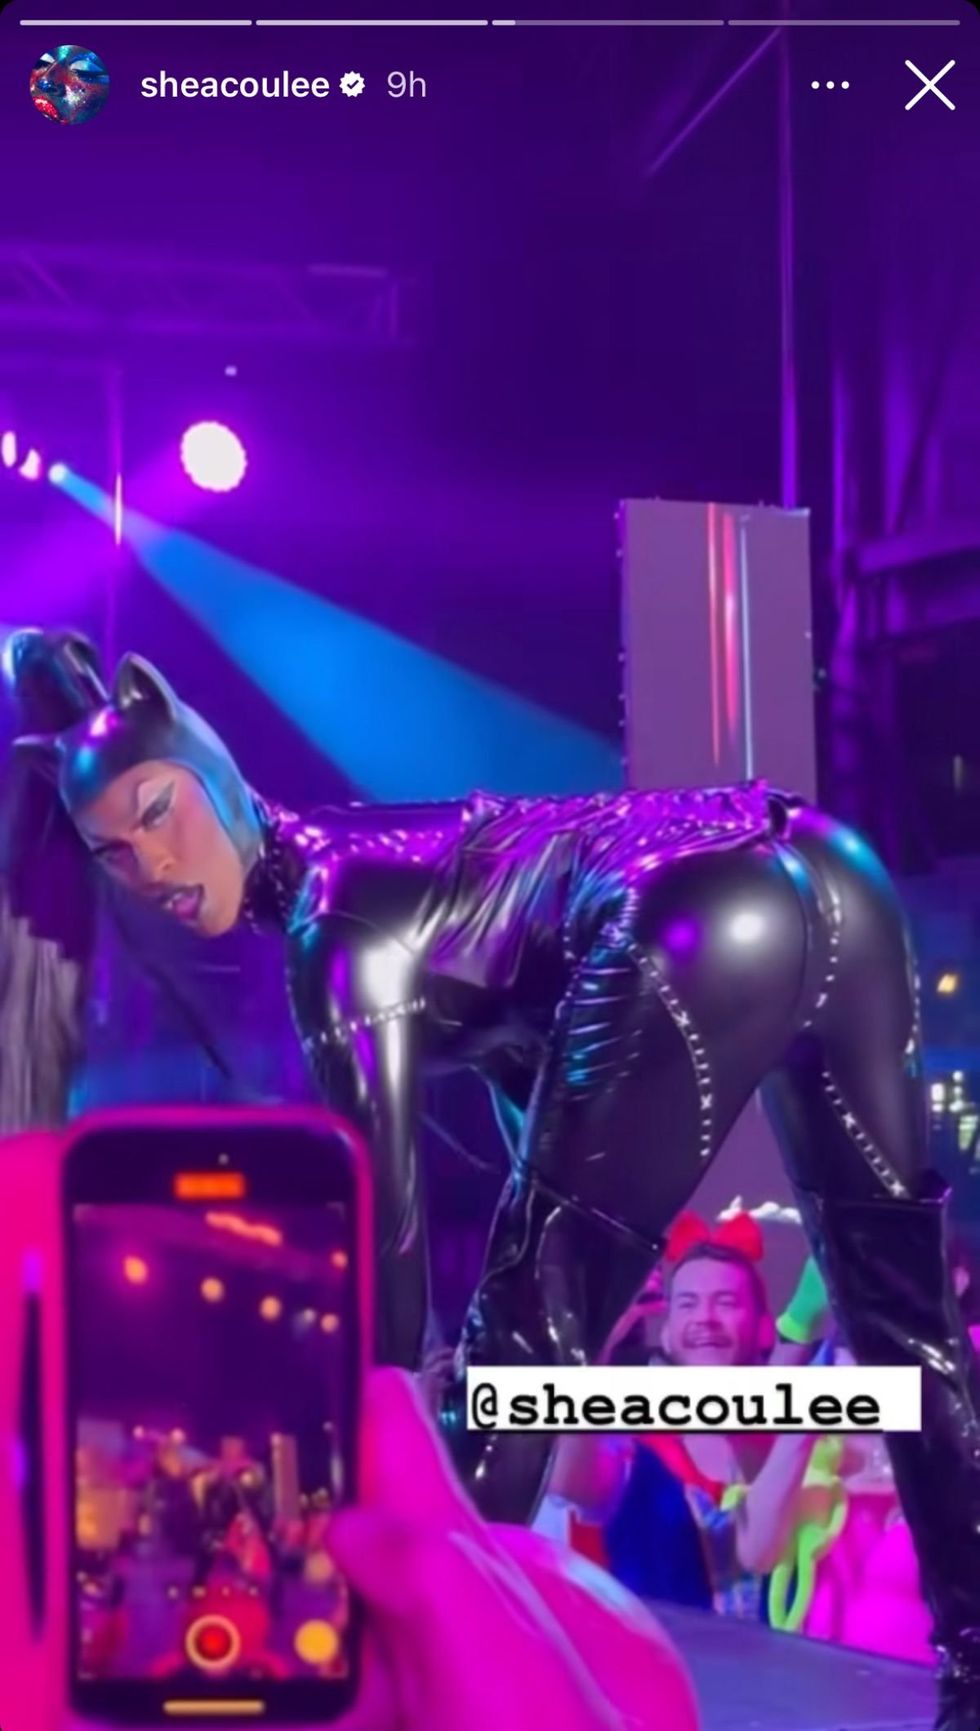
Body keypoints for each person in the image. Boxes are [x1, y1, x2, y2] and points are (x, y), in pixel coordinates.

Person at [2, 627, 979, 1730]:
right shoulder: (403, 869)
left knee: (514, 1347)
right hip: (832, 869)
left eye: (157, 812)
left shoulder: (334, 926)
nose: (154, 866)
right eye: (115, 853)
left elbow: (383, 1241)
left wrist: (366, 1479)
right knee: (904, 1315)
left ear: (209, 767)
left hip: (700, 906)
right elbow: (536, 1081)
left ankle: (412, 1685)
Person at [603, 1214, 815, 1619]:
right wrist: (594, 1341)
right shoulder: (628, 1440)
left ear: (764, 1328)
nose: (705, 1317)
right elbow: (569, 1475)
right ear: (666, 1333)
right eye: (687, 1304)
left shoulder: (812, 1448)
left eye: (726, 1302)